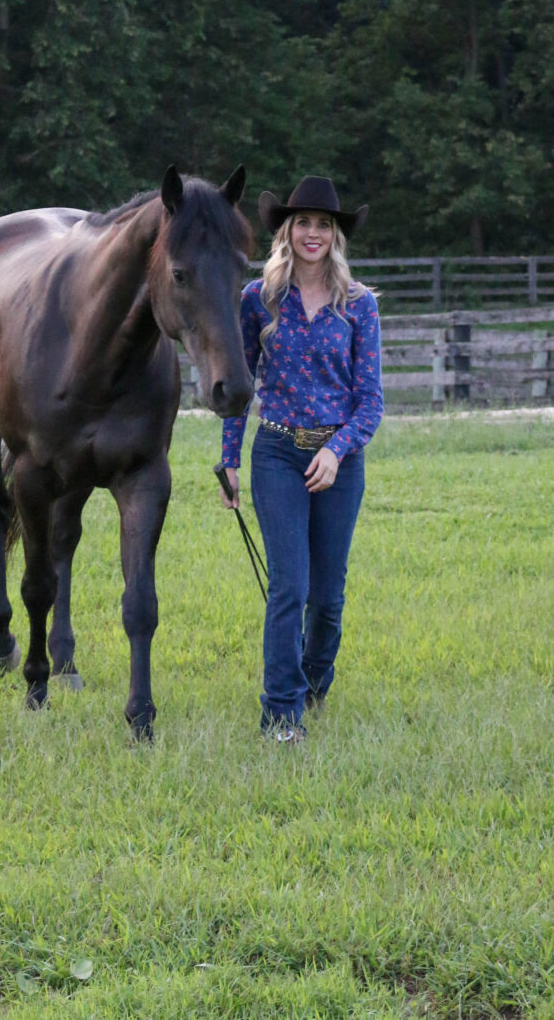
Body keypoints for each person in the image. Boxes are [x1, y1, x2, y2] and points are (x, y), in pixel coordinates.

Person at [218, 175, 383, 743]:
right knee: (289, 584)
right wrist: (229, 459)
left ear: (335, 235)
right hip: (278, 455)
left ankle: (312, 683)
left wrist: (338, 450)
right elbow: (238, 388)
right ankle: (280, 712)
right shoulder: (256, 300)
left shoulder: (359, 306)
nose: (313, 233)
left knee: (328, 598)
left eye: (324, 224)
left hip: (340, 458)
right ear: (286, 231)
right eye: (303, 223)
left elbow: (371, 403)